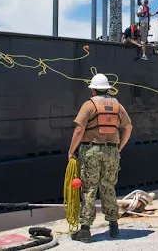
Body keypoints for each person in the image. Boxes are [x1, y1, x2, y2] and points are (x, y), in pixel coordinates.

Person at [68, 73, 133, 243]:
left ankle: (85, 230)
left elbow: (79, 129)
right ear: (108, 88)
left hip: (91, 150)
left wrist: (71, 151)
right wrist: (119, 147)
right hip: (112, 152)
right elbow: (128, 127)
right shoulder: (118, 106)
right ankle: (113, 225)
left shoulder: (89, 105)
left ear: (93, 90)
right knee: (108, 186)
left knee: (89, 188)